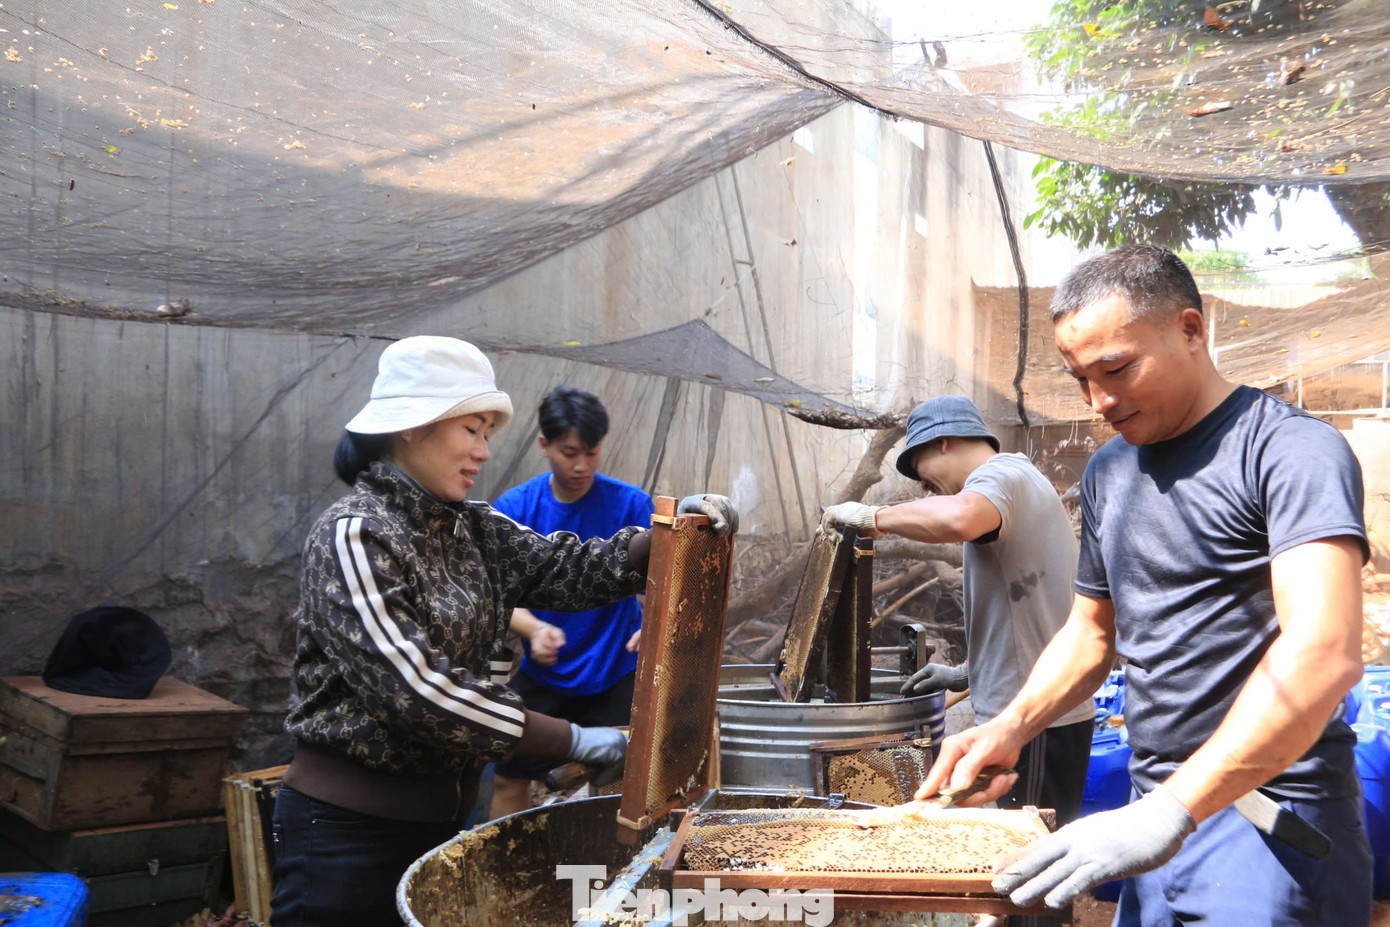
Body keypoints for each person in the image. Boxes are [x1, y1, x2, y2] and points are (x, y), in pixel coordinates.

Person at [917, 245, 1372, 925]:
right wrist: (1010, 725)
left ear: (1191, 330)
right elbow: (1091, 632)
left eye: (1117, 368)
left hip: (1266, 819)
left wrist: (1173, 808)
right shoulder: (1110, 471)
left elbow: (1324, 652)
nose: (1098, 399)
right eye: (1079, 378)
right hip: (1150, 820)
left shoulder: (1288, 451)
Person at [269, 336, 737, 927]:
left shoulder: (476, 528)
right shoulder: (356, 535)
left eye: (487, 433)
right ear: (415, 425)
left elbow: (576, 571)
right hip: (348, 834)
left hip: (439, 825)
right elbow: (419, 692)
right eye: (472, 430)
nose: (484, 451)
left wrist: (670, 535)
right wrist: (575, 741)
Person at [821, 395, 1094, 830]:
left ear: (944, 442)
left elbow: (960, 519)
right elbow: (1030, 612)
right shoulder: (1014, 484)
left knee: (1037, 851)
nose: (925, 487)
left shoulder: (1000, 475)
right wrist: (968, 672)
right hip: (1030, 713)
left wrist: (873, 516)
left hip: (1037, 718)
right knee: (1021, 848)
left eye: (920, 470)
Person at [488, 387, 654, 818]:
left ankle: (614, 875)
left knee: (623, 781)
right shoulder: (514, 509)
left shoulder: (632, 504)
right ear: (544, 446)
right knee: (509, 773)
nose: (581, 465)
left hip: (616, 668)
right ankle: (509, 871)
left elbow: (665, 582)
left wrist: (651, 623)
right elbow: (494, 594)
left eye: (592, 452)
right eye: (569, 452)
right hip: (546, 674)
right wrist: (533, 629)